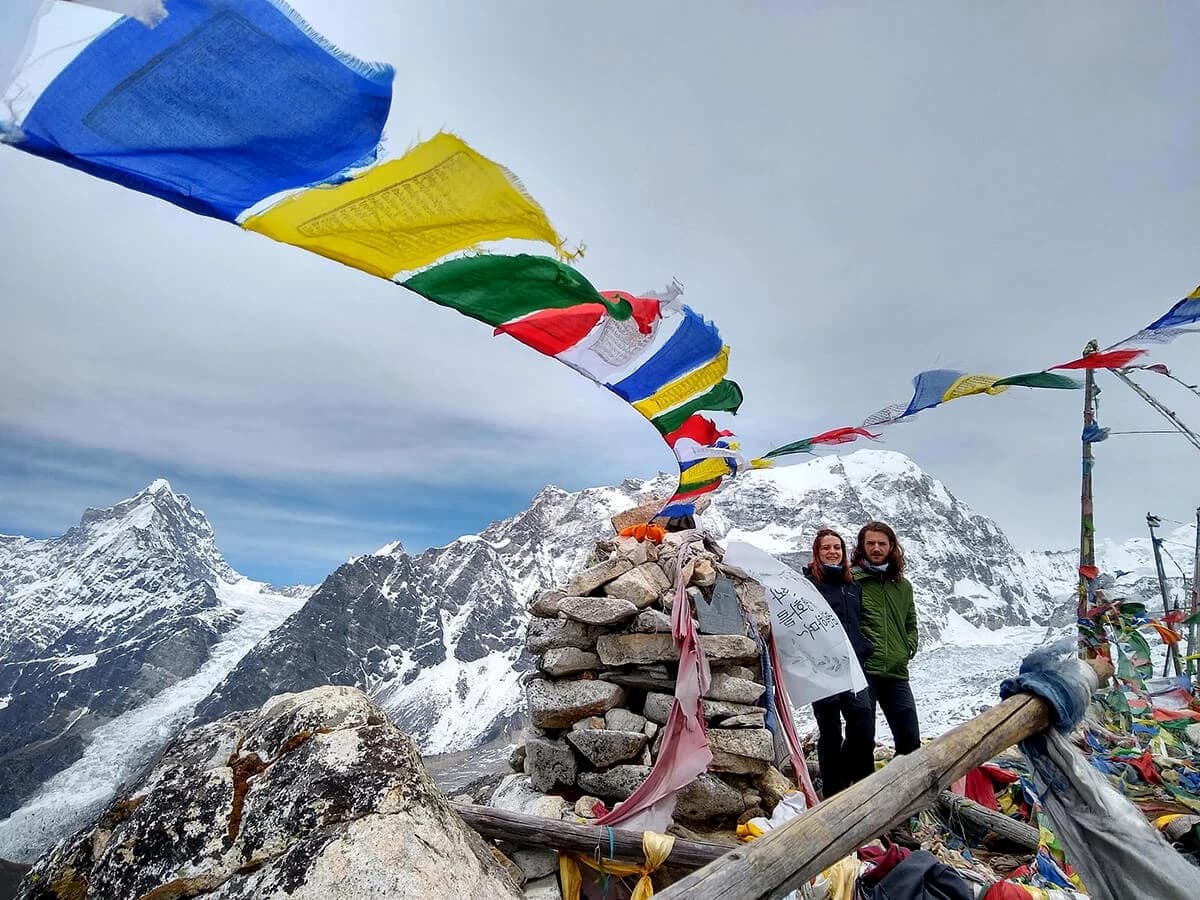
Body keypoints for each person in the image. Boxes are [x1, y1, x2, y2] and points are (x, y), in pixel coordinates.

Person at [804, 528, 876, 797]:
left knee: (863, 725)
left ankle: (862, 788)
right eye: (826, 548)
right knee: (831, 731)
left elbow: (859, 622)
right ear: (817, 552)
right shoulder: (807, 585)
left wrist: (865, 647)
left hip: (853, 665)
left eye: (837, 547)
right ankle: (833, 794)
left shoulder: (852, 586)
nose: (832, 552)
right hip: (822, 668)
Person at [852, 520, 921, 755]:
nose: (876, 548)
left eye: (882, 543)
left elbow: (911, 622)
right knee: (862, 738)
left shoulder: (903, 586)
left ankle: (908, 780)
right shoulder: (852, 581)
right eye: (870, 543)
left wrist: (908, 646)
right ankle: (860, 779)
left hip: (896, 672)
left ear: (891, 546)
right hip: (864, 670)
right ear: (862, 546)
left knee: (910, 739)